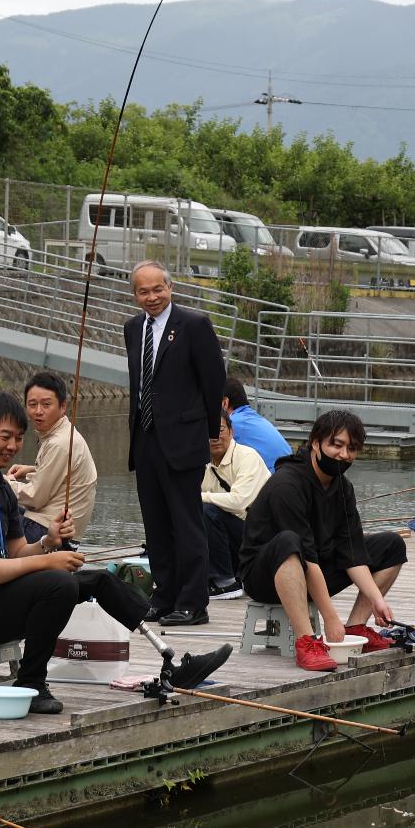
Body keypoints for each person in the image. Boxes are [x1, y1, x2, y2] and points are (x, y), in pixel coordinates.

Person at [0, 391, 170, 716]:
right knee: (60, 584)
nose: (12, 446)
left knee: (95, 580)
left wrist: (47, 542)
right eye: (5, 437)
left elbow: (15, 552)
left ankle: (166, 652)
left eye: (19, 438)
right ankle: (31, 682)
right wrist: (47, 562)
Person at [238, 409, 406, 672]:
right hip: (268, 575)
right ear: (316, 443)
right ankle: (307, 641)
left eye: (352, 448)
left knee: (392, 545)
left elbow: (352, 554)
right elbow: (306, 557)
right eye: (336, 445)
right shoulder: (287, 484)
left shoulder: (342, 487)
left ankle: (355, 628)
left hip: (314, 567)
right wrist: (329, 617)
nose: (344, 455)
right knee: (289, 541)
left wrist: (377, 600)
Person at [123, 261, 226, 626]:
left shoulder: (193, 325)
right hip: (145, 437)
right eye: (143, 291)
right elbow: (139, 383)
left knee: (187, 523)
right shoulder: (133, 328)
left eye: (157, 289)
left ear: (170, 288)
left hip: (183, 439)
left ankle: (193, 602)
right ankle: (163, 596)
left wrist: (210, 432)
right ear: (134, 294)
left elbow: (214, 381)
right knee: (155, 525)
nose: (151, 297)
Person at [5, 371, 97, 543]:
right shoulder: (63, 433)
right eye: (32, 404)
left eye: (46, 404)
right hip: (52, 528)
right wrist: (31, 470)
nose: (38, 411)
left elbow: (35, 498)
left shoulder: (59, 443)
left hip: (49, 532)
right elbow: (65, 472)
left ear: (63, 407)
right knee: (2, 507)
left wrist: (2, 482)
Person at [203, 409, 270, 601]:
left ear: (231, 432)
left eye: (220, 430)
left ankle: (226, 582)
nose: (214, 437)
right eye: (209, 431)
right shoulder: (203, 464)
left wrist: (200, 496)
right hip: (236, 537)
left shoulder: (247, 456)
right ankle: (209, 577)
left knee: (206, 511)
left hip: (261, 540)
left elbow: (239, 502)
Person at [223, 375, 292, 469]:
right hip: (287, 471)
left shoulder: (233, 423)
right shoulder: (251, 417)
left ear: (225, 403)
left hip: (275, 477)